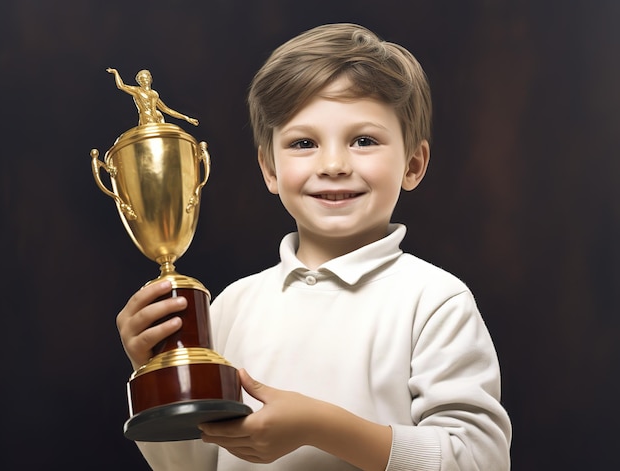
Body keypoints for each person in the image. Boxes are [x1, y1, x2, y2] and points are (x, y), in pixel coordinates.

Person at [116, 23, 512, 470]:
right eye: (303, 143)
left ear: (414, 164)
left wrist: (319, 427)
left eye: (364, 141)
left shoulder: (435, 302)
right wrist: (158, 368)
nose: (334, 164)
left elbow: (479, 461)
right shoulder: (229, 308)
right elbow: (192, 466)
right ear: (270, 169)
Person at [106, 68, 199, 126]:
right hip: (146, 118)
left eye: (146, 78)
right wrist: (115, 73)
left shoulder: (154, 94)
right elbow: (121, 86)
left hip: (157, 117)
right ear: (139, 81)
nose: (144, 80)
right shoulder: (137, 91)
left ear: (150, 79)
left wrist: (187, 118)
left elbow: (167, 110)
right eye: (141, 79)